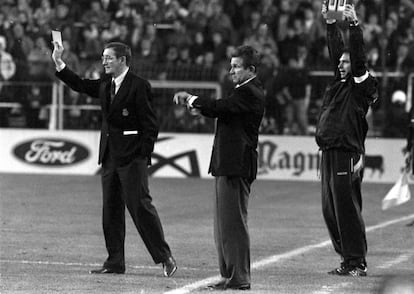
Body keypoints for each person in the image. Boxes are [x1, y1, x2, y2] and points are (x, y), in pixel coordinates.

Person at [51, 41, 177, 277]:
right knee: (111, 210)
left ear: (122, 60)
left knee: (140, 207)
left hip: (132, 159)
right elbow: (79, 84)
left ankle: (165, 257)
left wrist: (142, 155)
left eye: (109, 58)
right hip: (109, 157)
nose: (104, 61)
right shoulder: (105, 84)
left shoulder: (139, 86)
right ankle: (115, 261)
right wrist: (59, 61)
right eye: (103, 57)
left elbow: (151, 125)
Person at [173, 45, 265, 290]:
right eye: (231, 65)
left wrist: (191, 98)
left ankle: (239, 277)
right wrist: (200, 109)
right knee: (224, 225)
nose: (231, 70)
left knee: (233, 224)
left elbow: (222, 107)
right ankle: (229, 275)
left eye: (236, 66)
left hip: (236, 165)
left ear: (251, 70)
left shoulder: (250, 92)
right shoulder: (243, 92)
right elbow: (225, 112)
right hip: (227, 164)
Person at [315, 3, 379, 276]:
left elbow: (358, 57)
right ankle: (347, 259)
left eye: (345, 61)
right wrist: (330, 24)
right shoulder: (339, 84)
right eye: (340, 61)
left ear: (355, 65)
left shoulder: (360, 86)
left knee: (346, 209)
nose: (340, 64)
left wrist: (353, 27)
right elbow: (335, 53)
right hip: (329, 152)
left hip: (346, 152)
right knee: (330, 211)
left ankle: (356, 262)